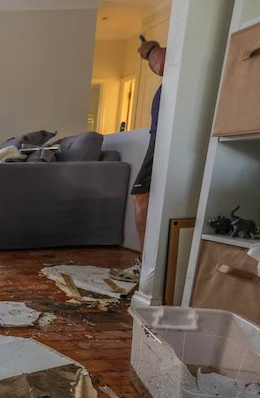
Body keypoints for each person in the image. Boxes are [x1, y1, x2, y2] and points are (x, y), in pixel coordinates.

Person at [110, 40, 166, 283]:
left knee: (142, 194)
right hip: (164, 133)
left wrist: (150, 50)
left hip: (167, 135)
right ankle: (149, 265)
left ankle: (147, 268)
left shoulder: (185, 52)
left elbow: (163, 62)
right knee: (144, 195)